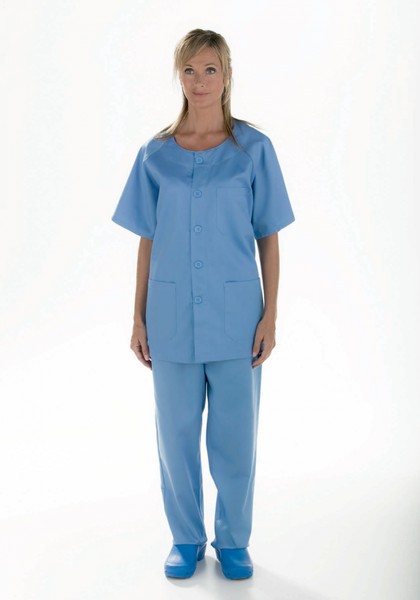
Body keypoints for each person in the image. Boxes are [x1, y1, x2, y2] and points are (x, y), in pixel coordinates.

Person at [111, 28, 295, 580]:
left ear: (227, 75)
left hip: (238, 320)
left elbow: (269, 237)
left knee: (235, 439)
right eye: (189, 70)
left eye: (209, 69)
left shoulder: (254, 150)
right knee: (175, 439)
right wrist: (137, 315)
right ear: (179, 76)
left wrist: (271, 315)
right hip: (170, 319)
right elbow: (147, 239)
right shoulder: (155, 154)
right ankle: (186, 538)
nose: (199, 81)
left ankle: (233, 541)